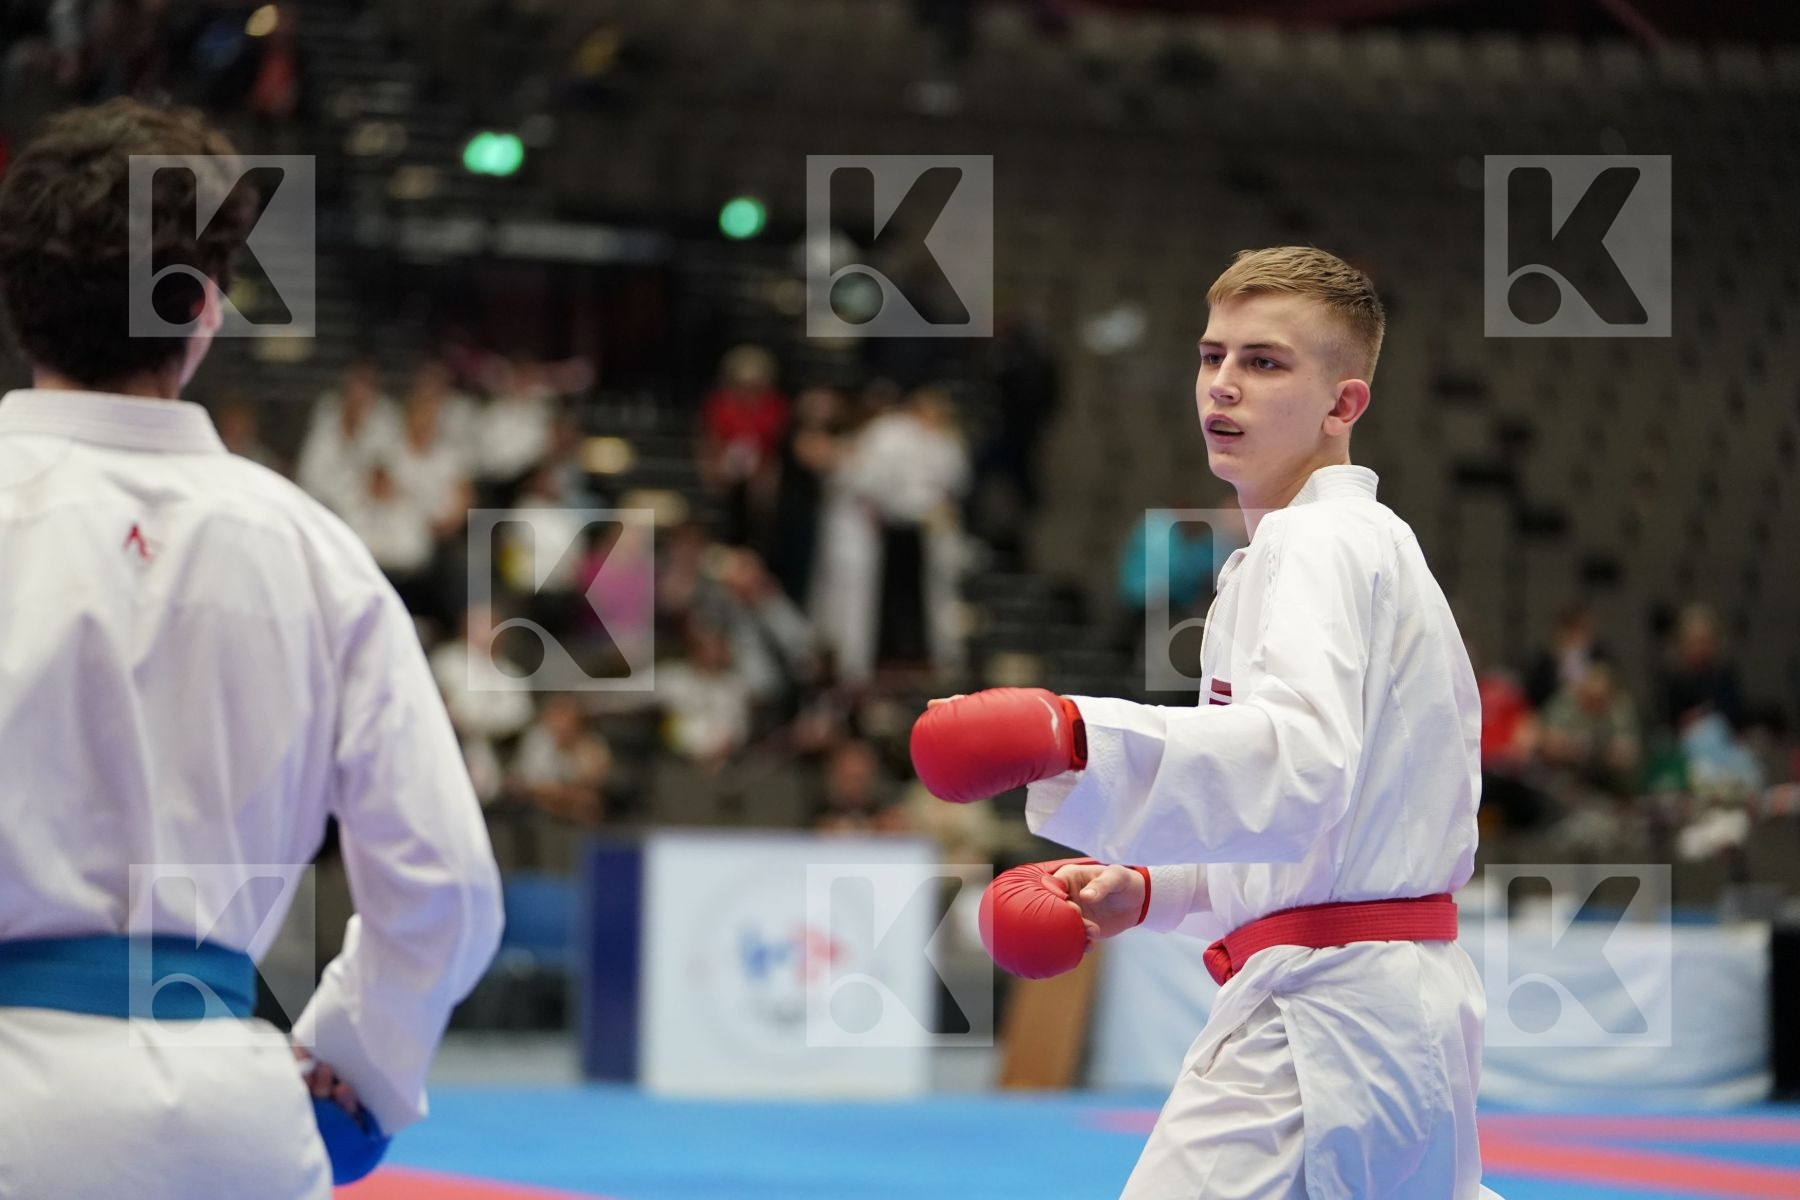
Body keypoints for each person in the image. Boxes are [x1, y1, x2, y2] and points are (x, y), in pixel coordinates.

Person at [912, 247, 1500, 1198]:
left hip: (1328, 1021)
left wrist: (1068, 735)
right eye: (1211, 355)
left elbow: (1300, 773)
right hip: (1382, 1010)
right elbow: (1318, 816)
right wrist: (1150, 890)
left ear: (1344, 404)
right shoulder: (1341, 546)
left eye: (1265, 363)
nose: (1223, 385)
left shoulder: (1317, 545)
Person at [0, 100, 503, 1197]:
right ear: (207, 311)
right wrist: (356, 1073)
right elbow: (447, 884)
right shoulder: (316, 552)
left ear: (20, 302)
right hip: (231, 1121)